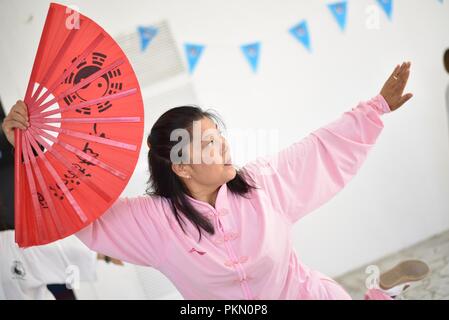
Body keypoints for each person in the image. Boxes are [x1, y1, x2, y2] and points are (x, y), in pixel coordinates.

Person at [2, 61, 428, 300]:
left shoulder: (262, 184)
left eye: (219, 135)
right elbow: (80, 211)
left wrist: (375, 108)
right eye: (208, 142)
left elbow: (318, 149)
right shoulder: (152, 223)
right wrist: (31, 149)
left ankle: (379, 295)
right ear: (182, 167)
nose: (223, 145)